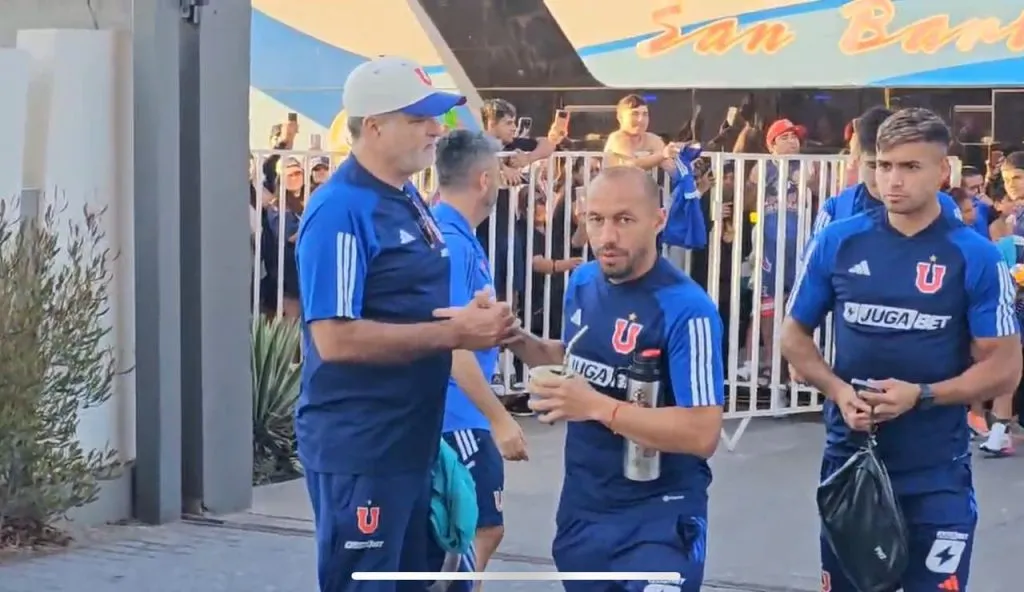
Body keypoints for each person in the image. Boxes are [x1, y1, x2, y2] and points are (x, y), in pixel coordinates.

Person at [295, 56, 517, 592]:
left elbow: (415, 305)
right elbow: (334, 337)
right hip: (364, 448)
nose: (436, 130)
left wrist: (474, 319)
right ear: (373, 127)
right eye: (419, 119)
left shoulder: (408, 196)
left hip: (412, 443)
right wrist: (455, 334)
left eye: (435, 117)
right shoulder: (340, 209)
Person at [781, 108, 1021, 592]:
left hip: (936, 472)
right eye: (883, 165)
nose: (892, 180)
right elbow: (793, 335)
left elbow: (1005, 368)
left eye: (910, 167)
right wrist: (837, 390)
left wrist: (924, 395)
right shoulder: (838, 241)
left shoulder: (973, 254)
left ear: (942, 171)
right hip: (852, 465)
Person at [507, 166, 724, 592]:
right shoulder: (583, 282)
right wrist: (511, 336)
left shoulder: (688, 308)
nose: (607, 236)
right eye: (596, 219)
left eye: (624, 220)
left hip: (659, 516)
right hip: (584, 510)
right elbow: (573, 360)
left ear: (658, 220)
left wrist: (595, 406)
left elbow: (703, 432)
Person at [431, 130, 530, 585]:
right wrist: (499, 418)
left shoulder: (454, 234)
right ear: (485, 179)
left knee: (476, 529)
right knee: (479, 527)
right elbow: (452, 340)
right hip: (457, 414)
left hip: (457, 411)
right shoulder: (450, 241)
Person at [811, 107, 963, 240]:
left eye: (908, 166)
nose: (891, 179)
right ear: (858, 160)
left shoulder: (947, 208)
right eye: (879, 165)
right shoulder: (835, 210)